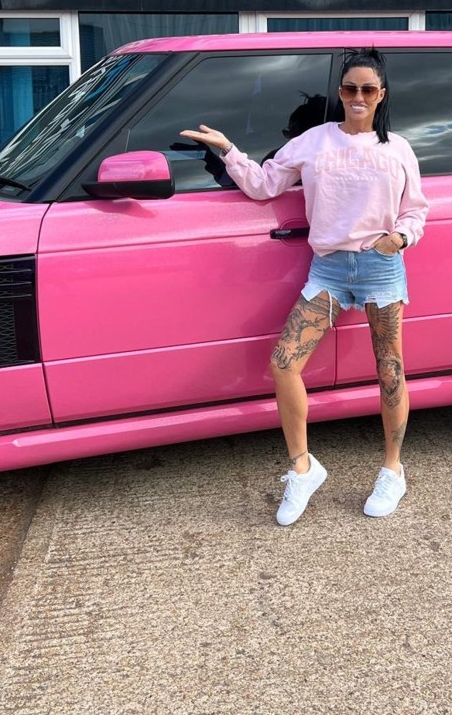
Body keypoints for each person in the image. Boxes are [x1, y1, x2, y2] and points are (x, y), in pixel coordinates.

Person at [180, 48, 428, 525]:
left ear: (381, 95)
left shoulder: (397, 149)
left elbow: (416, 209)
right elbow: (263, 185)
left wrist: (399, 237)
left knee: (390, 371)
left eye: (368, 90)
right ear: (341, 93)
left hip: (380, 269)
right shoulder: (315, 141)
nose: (359, 97)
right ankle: (303, 468)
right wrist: (229, 151)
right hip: (330, 270)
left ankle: (393, 471)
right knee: (283, 364)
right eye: (351, 88)